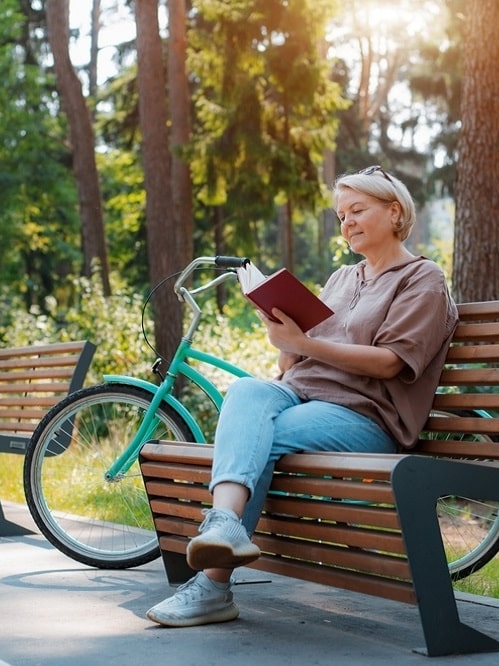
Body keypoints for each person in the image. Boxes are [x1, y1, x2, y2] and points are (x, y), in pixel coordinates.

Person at [146, 165, 459, 627]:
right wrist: (286, 343)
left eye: (357, 210)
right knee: (248, 390)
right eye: (340, 216)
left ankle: (212, 586)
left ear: (394, 212)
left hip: (365, 417)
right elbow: (297, 363)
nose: (346, 223)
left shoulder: (422, 278)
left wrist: (304, 344)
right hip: (303, 395)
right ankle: (225, 527)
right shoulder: (342, 279)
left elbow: (391, 362)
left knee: (261, 437)